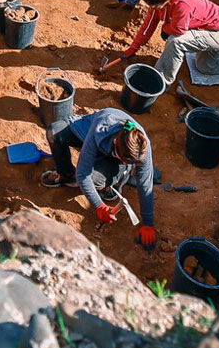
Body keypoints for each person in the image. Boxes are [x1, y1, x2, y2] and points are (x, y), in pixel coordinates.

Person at [47, 107, 158, 249]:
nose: (129, 164)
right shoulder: (102, 127)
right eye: (126, 162)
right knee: (54, 132)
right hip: (90, 133)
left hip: (111, 154)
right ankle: (66, 175)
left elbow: (145, 184)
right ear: (114, 145)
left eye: (131, 163)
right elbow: (82, 174)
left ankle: (111, 184)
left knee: (94, 180)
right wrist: (99, 206)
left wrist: (148, 223)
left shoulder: (142, 146)